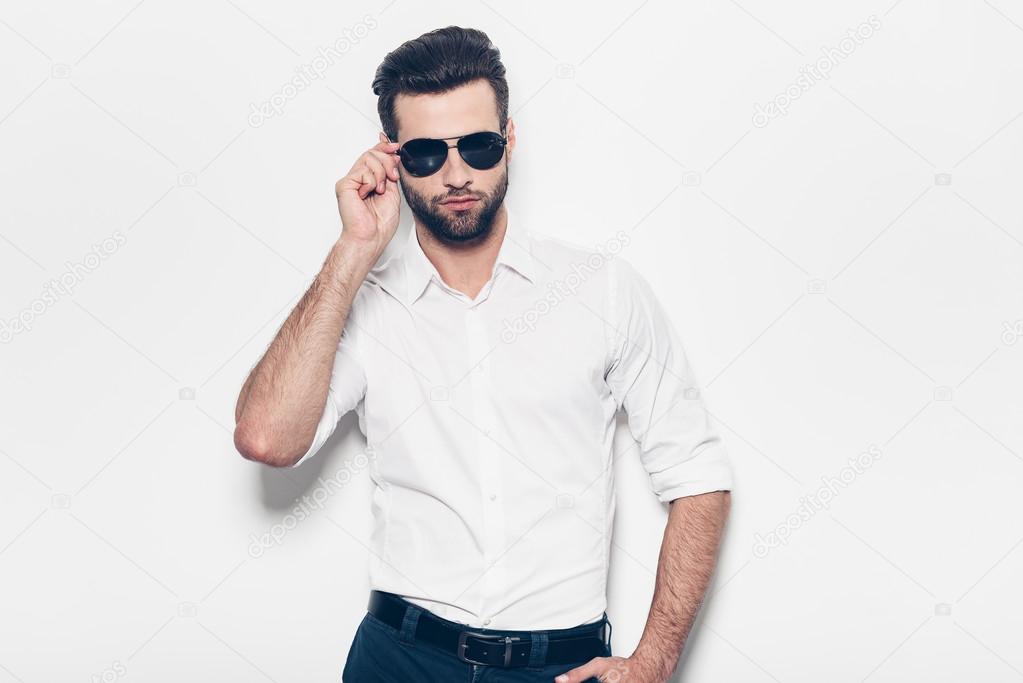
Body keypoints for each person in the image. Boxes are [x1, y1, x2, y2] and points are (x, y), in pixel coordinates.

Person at [233, 25, 733, 683]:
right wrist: (354, 248)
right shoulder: (361, 306)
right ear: (391, 158)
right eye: (424, 154)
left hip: (560, 666)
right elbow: (268, 438)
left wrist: (654, 660)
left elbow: (696, 474)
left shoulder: (602, 291)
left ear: (509, 141)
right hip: (399, 658)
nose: (457, 173)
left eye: (478, 144)